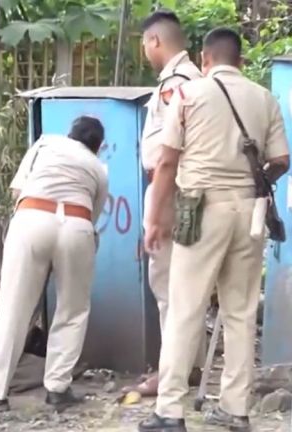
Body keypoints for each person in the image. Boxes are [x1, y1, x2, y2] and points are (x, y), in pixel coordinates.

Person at [139, 28, 290, 432]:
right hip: (249, 214)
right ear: (240, 61)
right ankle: (236, 409)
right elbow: (281, 160)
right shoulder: (265, 98)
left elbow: (166, 164)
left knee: (186, 309)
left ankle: (170, 411)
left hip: (200, 210)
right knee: (240, 313)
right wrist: (254, 177)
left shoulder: (189, 95)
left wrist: (155, 217)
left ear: (205, 59)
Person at [0, 116, 108, 412]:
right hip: (76, 225)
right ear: (97, 147)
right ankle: (58, 389)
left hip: (33, 218)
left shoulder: (45, 144)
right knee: (72, 309)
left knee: (13, 306)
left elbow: (16, 192)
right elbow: (92, 215)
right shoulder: (99, 168)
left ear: (70, 133)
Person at [132, 9, 207, 397]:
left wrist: (157, 213)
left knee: (167, 289)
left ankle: (170, 373)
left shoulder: (174, 83)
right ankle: (187, 365)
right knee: (183, 288)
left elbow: (166, 155)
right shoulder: (196, 79)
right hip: (189, 194)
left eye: (145, 43)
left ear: (154, 41)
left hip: (172, 191)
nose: (145, 51)